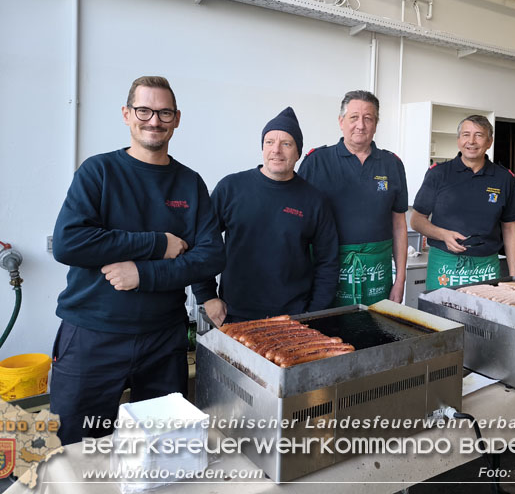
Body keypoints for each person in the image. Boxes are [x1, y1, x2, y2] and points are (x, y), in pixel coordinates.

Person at [50, 76, 225, 445]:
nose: (154, 121)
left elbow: (211, 256)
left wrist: (143, 274)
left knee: (159, 448)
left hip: (163, 340)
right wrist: (156, 244)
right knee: (79, 449)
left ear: (177, 119)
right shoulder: (98, 172)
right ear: (127, 115)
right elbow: (70, 243)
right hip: (92, 335)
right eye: (144, 110)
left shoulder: (190, 184)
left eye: (163, 112)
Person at [191, 107, 339, 324]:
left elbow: (328, 262)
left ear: (298, 152)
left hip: (293, 317)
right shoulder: (231, 188)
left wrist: (314, 313)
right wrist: (207, 295)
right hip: (234, 314)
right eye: (270, 142)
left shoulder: (314, 201)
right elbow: (202, 242)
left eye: (286, 143)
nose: (276, 150)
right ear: (262, 147)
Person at [298, 91, 408, 306]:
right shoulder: (317, 161)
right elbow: (298, 222)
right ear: (341, 122)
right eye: (354, 117)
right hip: (328, 270)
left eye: (368, 118)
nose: (361, 125)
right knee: (328, 333)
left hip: (377, 273)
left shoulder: (392, 164)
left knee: (375, 331)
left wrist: (400, 279)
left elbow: (399, 225)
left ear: (376, 124)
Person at [411, 115, 515, 290]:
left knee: (485, 315)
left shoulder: (504, 178)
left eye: (479, 135)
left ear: (489, 142)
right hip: (445, 264)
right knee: (441, 315)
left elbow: (509, 228)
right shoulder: (439, 174)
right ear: (458, 140)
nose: (471, 141)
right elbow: (416, 220)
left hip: (486, 267)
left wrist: (514, 276)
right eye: (466, 134)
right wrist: (443, 235)